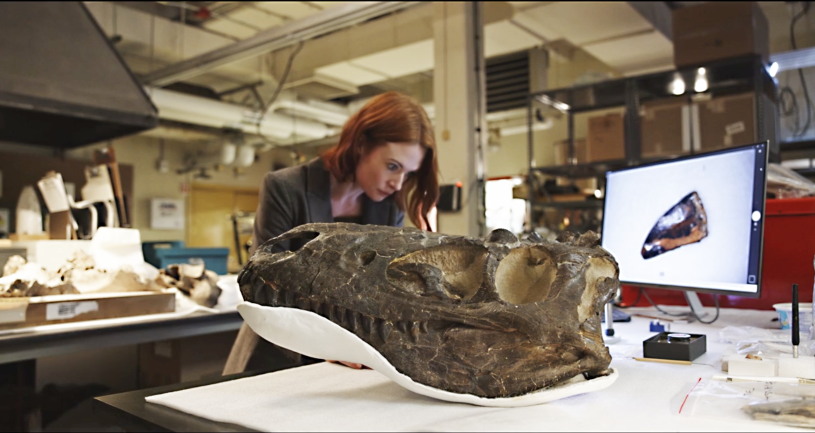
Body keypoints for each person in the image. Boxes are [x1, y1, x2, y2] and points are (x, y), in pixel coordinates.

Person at [223, 91, 439, 375]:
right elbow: (262, 285)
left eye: (409, 174)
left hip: (352, 359)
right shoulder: (287, 188)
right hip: (280, 355)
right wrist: (326, 346)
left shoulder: (388, 208)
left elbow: (380, 291)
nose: (398, 184)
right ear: (361, 145)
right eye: (392, 166)